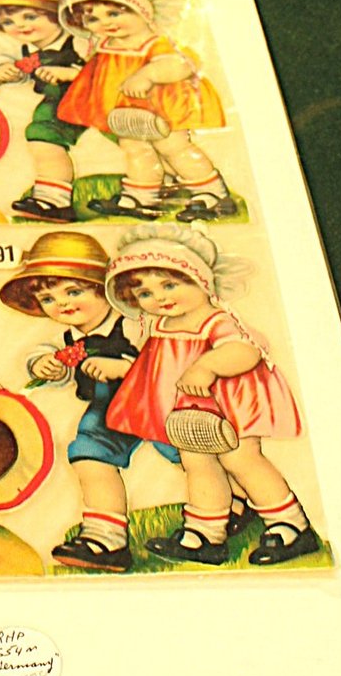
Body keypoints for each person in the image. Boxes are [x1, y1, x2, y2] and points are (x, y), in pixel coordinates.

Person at [104, 226, 317, 566]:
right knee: (197, 463)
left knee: (240, 460)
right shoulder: (161, 325)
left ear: (200, 280)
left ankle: (290, 525)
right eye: (145, 293)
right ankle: (205, 532)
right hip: (189, 412)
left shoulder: (216, 321)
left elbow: (244, 351)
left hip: (229, 404)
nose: (159, 298)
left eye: (169, 285)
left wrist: (207, 366)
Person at [0, 230, 181, 571]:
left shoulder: (134, 325)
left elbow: (167, 362)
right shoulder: (68, 336)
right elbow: (47, 356)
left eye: (73, 291)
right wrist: (45, 365)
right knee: (90, 457)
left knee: (190, 456)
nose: (63, 304)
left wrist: (125, 368)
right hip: (106, 409)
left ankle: (231, 505)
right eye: (48, 299)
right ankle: (105, 538)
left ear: (103, 289)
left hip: (155, 403)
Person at [55, 0, 233, 221]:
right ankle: (141, 195)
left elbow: (179, 65)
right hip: (126, 112)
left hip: (163, 108)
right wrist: (70, 74)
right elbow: (96, 73)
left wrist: (148, 74)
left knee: (174, 147)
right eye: (93, 19)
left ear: (142, 11)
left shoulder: (155, 42)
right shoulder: (105, 45)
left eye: (114, 13)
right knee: (135, 150)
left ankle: (211, 193)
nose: (105, 23)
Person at [0, 0, 85, 222]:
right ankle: (50, 200)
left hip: (83, 99)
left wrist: (70, 73)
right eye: (8, 22)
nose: (20, 26)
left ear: (56, 15)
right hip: (55, 104)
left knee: (44, 137)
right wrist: (3, 69)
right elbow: (18, 67)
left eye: (30, 17)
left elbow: (103, 70)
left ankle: (55, 201)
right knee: (41, 138)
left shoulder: (78, 42)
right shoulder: (28, 49)